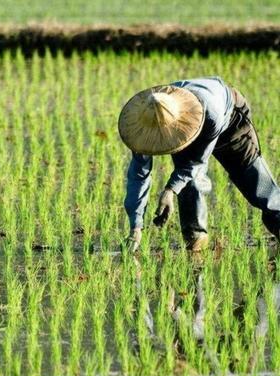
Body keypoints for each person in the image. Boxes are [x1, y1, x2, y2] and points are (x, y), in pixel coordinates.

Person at [118, 77, 280, 252]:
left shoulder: (212, 113)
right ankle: (195, 240)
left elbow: (196, 162)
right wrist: (136, 225)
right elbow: (138, 175)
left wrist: (170, 190)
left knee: (254, 181)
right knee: (189, 183)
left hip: (229, 119)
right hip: (182, 125)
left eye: (164, 136)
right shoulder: (143, 126)